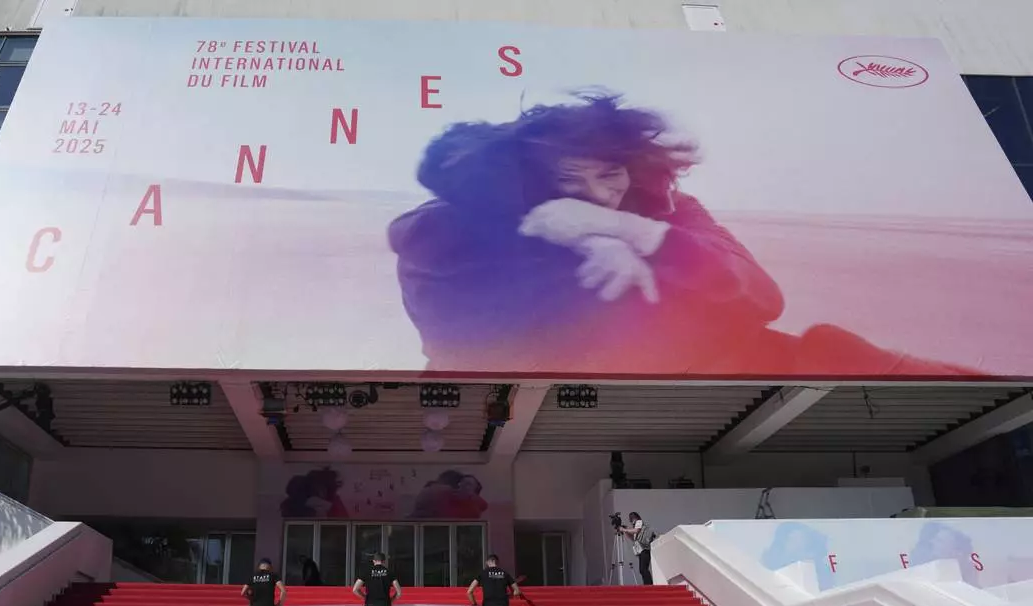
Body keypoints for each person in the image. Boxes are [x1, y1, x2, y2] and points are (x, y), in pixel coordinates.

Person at [389, 93, 977, 377]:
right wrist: (584, 243)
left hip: (781, 377)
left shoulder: (665, 210)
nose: (599, 193)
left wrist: (623, 230)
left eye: (611, 173)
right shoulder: (447, 236)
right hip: (596, 424)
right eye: (572, 181)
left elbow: (763, 296)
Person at [618, 512, 658, 585]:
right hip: (641, 550)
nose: (631, 520)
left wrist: (624, 530)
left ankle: (649, 584)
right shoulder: (635, 526)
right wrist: (626, 531)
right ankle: (647, 584)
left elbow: (636, 530)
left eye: (631, 518)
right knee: (642, 570)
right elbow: (634, 539)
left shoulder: (639, 522)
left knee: (643, 569)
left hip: (645, 549)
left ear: (635, 517)